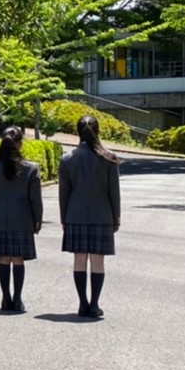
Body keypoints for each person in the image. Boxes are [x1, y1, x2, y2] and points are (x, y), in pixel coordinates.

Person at [59, 114, 122, 318]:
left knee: (79, 260)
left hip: (75, 215)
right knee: (97, 261)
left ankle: (82, 303)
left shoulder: (68, 159)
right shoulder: (109, 158)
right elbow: (114, 192)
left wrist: (64, 219)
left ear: (78, 133)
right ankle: (95, 304)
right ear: (98, 131)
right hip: (101, 215)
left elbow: (63, 194)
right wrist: (116, 217)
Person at [0, 126, 43, 313]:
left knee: (4, 259)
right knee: (18, 259)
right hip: (22, 218)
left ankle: (5, 298)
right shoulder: (31, 168)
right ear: (20, 144)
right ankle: (17, 299)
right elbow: (35, 199)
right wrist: (37, 220)